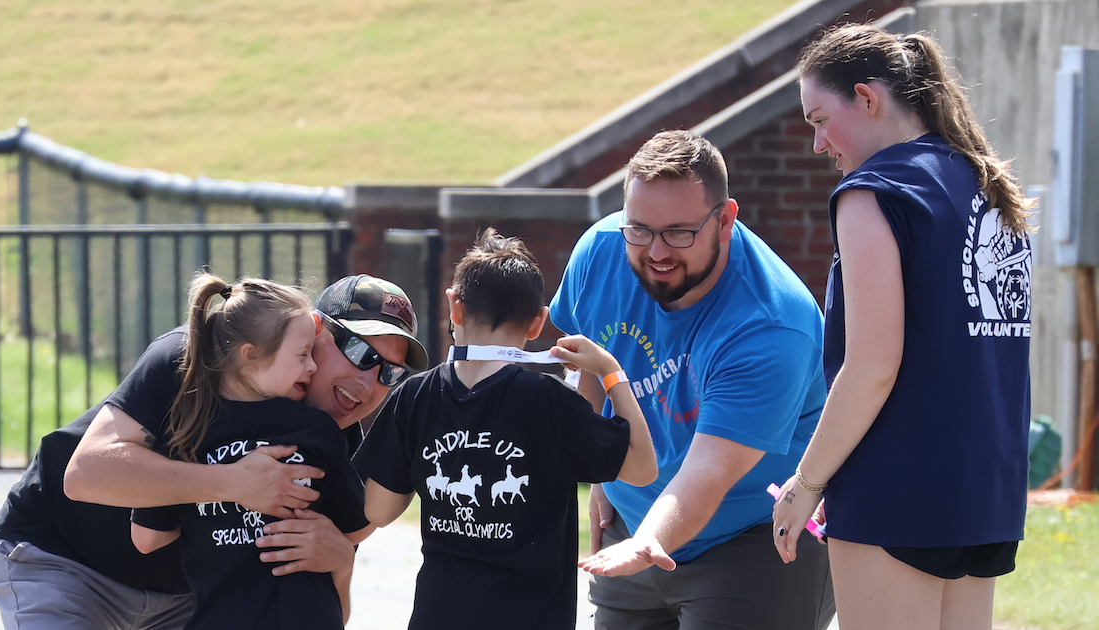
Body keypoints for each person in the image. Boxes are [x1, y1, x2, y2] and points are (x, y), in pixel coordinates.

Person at [771, 24, 1033, 630]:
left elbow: (871, 365)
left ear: (866, 97)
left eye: (817, 119)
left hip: (896, 490)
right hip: (985, 491)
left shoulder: (872, 192)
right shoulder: (988, 186)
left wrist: (805, 484)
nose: (816, 144)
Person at [0, 273, 427, 630]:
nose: (369, 382)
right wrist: (234, 482)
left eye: (390, 371)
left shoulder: (325, 437)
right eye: (359, 351)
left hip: (184, 601)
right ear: (313, 331)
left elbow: (318, 610)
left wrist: (340, 564)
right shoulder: (197, 355)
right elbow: (86, 473)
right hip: (66, 560)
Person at [551, 129, 835, 629]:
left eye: (680, 233)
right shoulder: (599, 253)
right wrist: (602, 463)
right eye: (639, 229)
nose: (656, 252)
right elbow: (593, 365)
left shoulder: (770, 324)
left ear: (725, 220)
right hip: (632, 530)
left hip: (752, 540)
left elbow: (710, 473)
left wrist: (648, 542)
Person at [353, 228, 657, 630]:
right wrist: (610, 371)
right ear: (537, 324)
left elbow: (378, 511)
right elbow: (643, 468)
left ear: (454, 308)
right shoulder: (549, 402)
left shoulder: (415, 396)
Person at [130, 274, 371, 628]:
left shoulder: (186, 434)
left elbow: (148, 536)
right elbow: (358, 524)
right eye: (303, 355)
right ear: (250, 355)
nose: (313, 366)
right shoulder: (314, 429)